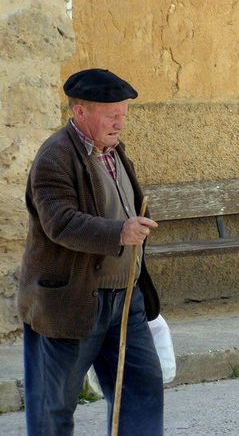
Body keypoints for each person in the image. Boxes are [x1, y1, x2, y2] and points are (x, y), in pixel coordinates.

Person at [17, 68, 164, 435]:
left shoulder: (113, 151)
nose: (120, 123)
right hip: (73, 300)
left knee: (142, 392)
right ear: (81, 112)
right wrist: (120, 231)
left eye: (124, 114)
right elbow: (61, 223)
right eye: (111, 114)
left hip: (126, 300)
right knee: (54, 406)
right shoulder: (55, 156)